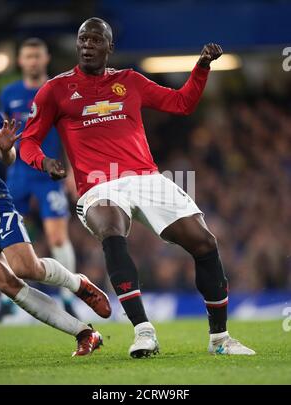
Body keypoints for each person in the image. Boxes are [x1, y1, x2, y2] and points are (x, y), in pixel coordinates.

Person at [20, 17, 255, 357]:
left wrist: (201, 67)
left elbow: (181, 103)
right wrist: (45, 163)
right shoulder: (55, 90)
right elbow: (28, 142)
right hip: (99, 184)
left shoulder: (129, 81)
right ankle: (144, 331)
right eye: (83, 39)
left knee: (205, 242)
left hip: (145, 177)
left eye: (95, 39)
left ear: (109, 47)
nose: (87, 44)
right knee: (111, 229)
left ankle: (220, 340)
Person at [0, 98, 111, 357]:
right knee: (5, 283)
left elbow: (8, 155)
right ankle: (84, 333)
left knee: (24, 267)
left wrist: (4, 150)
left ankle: (77, 283)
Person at [0, 38, 77, 318]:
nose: (32, 61)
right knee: (8, 236)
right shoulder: (9, 94)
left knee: (57, 237)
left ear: (45, 60)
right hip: (18, 173)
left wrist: (73, 173)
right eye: (28, 56)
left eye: (37, 56)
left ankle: (69, 296)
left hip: (49, 172)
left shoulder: (57, 90)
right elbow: (2, 137)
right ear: (21, 61)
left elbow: (69, 134)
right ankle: (10, 298)